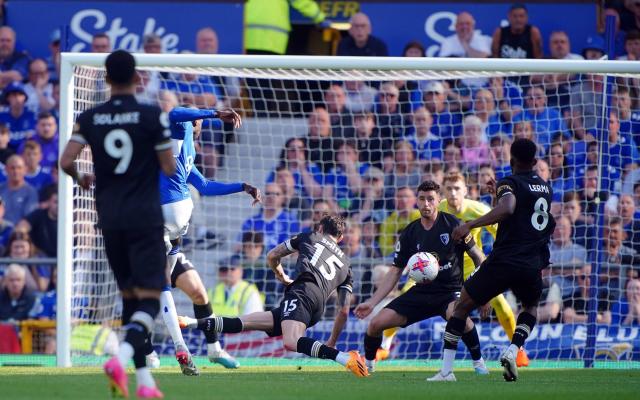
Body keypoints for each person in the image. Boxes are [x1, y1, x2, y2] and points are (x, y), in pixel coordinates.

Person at [59, 49, 177, 398]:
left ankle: (144, 383)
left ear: (106, 78)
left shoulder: (90, 117)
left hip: (109, 219)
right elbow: (169, 167)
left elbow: (66, 161)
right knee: (152, 299)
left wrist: (81, 177)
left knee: (130, 299)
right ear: (137, 77)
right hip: (144, 218)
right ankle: (120, 358)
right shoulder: (151, 115)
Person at [179, 215, 370, 377]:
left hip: (301, 292)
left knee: (291, 341)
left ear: (320, 228)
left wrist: (281, 276)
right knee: (246, 322)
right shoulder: (347, 266)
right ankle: (189, 322)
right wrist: (332, 342)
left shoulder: (311, 236)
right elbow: (344, 311)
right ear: (341, 237)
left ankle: (344, 358)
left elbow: (272, 255)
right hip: (317, 306)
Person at [431, 138, 555, 382]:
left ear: (511, 161)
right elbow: (525, 207)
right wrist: (499, 190)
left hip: (504, 260)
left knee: (462, 306)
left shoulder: (509, 183)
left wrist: (470, 223)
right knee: (530, 307)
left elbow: (508, 208)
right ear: (536, 162)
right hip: (532, 263)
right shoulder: (545, 187)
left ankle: (446, 371)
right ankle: (513, 349)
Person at [153, 104, 260, 374]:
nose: (198, 128)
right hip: (156, 230)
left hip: (174, 236)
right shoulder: (177, 133)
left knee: (199, 293)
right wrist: (213, 112)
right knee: (154, 290)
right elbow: (176, 112)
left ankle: (214, 349)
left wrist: (242, 187)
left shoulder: (187, 150)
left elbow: (205, 186)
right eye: (197, 121)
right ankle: (171, 348)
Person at [354, 180, 489, 374]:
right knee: (376, 324)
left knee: (461, 318)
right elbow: (395, 271)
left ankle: (479, 363)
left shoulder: (454, 224)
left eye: (431, 199)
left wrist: (483, 294)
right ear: (416, 201)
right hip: (420, 292)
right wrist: (372, 303)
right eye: (422, 199)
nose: (426, 204)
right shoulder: (410, 232)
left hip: (450, 292)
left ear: (439, 201)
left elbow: (479, 258)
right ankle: (368, 366)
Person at [438, 172, 529, 366]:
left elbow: (500, 233)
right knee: (409, 290)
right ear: (443, 191)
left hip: (475, 267)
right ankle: (385, 346)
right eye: (449, 188)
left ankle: (518, 349)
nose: (453, 193)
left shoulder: (478, 209)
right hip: (448, 269)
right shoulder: (439, 210)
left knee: (499, 302)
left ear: (466, 191)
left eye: (457, 188)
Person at [244, 0, 325, 56]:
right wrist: (320, 18)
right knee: (265, 78)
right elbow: (302, 2)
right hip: (272, 38)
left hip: (244, 37)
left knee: (244, 77)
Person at [0, 155, 38, 224]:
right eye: (12, 168)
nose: (16, 171)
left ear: (25, 170)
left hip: (20, 232)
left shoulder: (31, 192)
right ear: (6, 169)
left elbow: (29, 217)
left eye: (19, 168)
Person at [0, 82, 36, 150]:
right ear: (8, 98)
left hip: (27, 151)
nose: (17, 98)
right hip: (5, 151)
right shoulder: (1, 116)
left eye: (20, 94)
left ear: (25, 97)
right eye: (13, 95)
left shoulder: (32, 116)